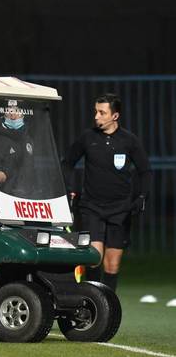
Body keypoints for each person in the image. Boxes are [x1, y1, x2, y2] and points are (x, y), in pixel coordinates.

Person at [62, 93, 150, 292]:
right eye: (96, 111)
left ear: (115, 116)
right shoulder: (87, 137)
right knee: (94, 259)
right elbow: (67, 163)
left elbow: (145, 171)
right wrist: (69, 189)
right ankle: (90, 305)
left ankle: (107, 309)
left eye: (102, 112)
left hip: (120, 209)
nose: (96, 116)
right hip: (92, 207)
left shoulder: (129, 140)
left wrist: (142, 197)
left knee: (112, 264)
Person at [0, 100, 35, 197]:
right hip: (4, 197)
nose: (13, 115)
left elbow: (30, 171)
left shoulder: (28, 140)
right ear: (3, 114)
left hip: (27, 199)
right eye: (9, 111)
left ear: (23, 114)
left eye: (17, 111)